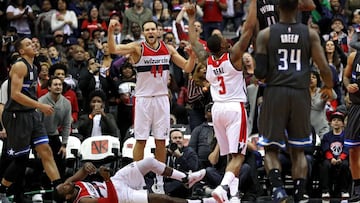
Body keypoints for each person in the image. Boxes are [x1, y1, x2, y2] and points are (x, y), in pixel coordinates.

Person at [254, 0, 334, 202]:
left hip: (275, 93)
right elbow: (324, 68)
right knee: (298, 150)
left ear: (278, 7)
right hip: (300, 93)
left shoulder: (266, 34)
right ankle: (298, 196)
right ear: (298, 6)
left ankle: (279, 191)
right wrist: (328, 86)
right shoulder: (310, 34)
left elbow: (260, 73)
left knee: (271, 149)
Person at [108, 18, 197, 193]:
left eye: (152, 29)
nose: (150, 32)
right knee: (140, 140)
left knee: (161, 141)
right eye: (146, 30)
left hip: (162, 99)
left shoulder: (168, 49)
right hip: (143, 99)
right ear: (143, 33)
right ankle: (137, 179)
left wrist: (192, 57)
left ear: (158, 31)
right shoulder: (137, 48)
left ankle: (159, 181)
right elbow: (113, 50)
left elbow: (187, 68)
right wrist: (111, 32)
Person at [187, 0, 256, 201]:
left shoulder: (206, 60)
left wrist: (192, 18)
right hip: (235, 107)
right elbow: (249, 29)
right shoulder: (233, 56)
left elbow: (193, 42)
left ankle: (230, 195)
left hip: (216, 110)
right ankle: (222, 187)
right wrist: (252, 3)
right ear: (225, 45)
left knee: (230, 156)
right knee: (240, 156)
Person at [0, 37, 61, 203]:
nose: (33, 45)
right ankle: (2, 190)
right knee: (21, 160)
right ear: (21, 51)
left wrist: (36, 108)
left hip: (31, 114)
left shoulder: (35, 66)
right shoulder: (20, 65)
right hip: (16, 115)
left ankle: (60, 190)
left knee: (46, 151)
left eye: (33, 43)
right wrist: (40, 106)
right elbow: (15, 95)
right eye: (28, 44)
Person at [55, 157, 206, 203]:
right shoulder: (83, 201)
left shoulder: (71, 184)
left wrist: (86, 167)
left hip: (117, 181)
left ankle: (186, 178)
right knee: (163, 199)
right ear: (68, 197)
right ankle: (203, 202)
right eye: (64, 188)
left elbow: (81, 172)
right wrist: (106, 180)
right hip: (120, 196)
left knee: (149, 162)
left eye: (64, 183)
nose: (67, 184)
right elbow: (112, 202)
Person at [320, 111, 350, 199]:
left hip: (342, 158)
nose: (336, 122)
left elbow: (347, 148)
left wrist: (341, 158)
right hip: (330, 159)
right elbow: (326, 149)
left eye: (339, 120)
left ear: (343, 124)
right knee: (325, 165)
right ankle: (325, 190)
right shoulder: (326, 136)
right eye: (334, 120)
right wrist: (331, 158)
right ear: (330, 123)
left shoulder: (346, 136)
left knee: (345, 165)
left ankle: (343, 190)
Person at [343, 49, 360, 202]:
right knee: (353, 150)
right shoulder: (354, 56)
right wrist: (348, 86)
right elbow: (346, 77)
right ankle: (357, 186)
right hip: (357, 107)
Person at [163, 129, 199, 197]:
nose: (178, 140)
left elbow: (193, 168)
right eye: (175, 138)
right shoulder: (165, 151)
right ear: (170, 141)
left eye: (180, 138)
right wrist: (166, 155)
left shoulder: (190, 152)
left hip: (182, 182)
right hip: (166, 181)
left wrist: (180, 157)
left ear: (183, 140)